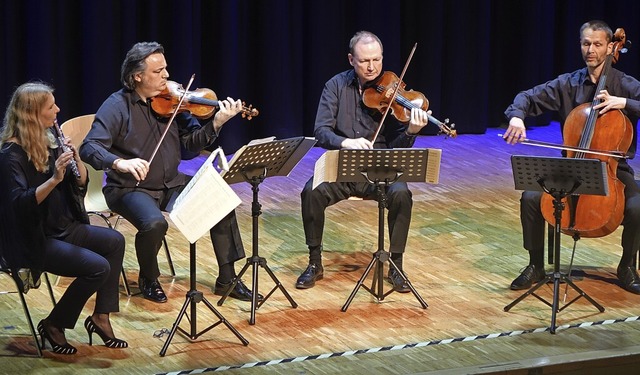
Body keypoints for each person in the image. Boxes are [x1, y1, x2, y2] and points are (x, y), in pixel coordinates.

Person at [80, 42, 261, 304]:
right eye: (158, 71)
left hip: (171, 184)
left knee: (220, 200)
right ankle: (149, 278)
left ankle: (227, 279)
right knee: (155, 223)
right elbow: (89, 147)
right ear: (137, 76)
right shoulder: (117, 105)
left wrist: (217, 123)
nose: (166, 76)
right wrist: (119, 162)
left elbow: (189, 146)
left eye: (166, 69)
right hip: (130, 188)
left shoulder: (174, 102)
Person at [503, 20, 640, 294]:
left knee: (637, 206)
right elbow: (527, 97)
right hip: (570, 167)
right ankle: (535, 265)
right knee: (531, 197)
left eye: (598, 44)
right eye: (586, 43)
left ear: (611, 47)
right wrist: (517, 117)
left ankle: (627, 266)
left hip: (612, 168)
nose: (591, 50)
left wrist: (623, 103)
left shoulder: (624, 84)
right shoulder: (568, 83)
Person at [296, 31, 430, 291]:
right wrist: (345, 142)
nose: (372, 67)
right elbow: (321, 131)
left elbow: (394, 146)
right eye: (364, 61)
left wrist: (411, 132)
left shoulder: (393, 90)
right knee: (310, 191)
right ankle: (315, 262)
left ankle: (397, 265)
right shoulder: (335, 86)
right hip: (343, 167)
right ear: (351, 60)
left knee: (402, 194)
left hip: (380, 170)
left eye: (377, 60)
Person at [0, 82, 127, 354]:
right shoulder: (10, 156)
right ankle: (54, 324)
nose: (57, 109)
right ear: (32, 113)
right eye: (51, 106)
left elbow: (79, 183)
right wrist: (55, 179)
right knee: (98, 267)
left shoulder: (50, 139)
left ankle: (100, 318)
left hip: (63, 227)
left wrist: (76, 159)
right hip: (33, 239)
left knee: (115, 241)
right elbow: (19, 205)